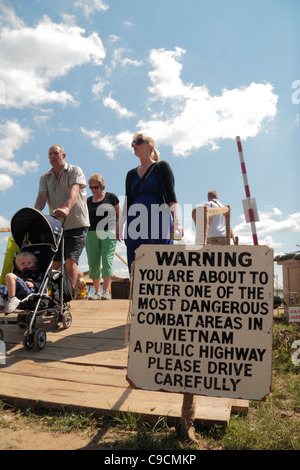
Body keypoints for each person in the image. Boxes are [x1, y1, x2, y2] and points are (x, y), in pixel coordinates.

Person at [123, 132, 183, 273]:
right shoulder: (131, 174)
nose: (134, 145)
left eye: (138, 141)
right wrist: (121, 225)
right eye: (132, 143)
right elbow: (128, 202)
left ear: (149, 146)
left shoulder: (161, 167)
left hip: (159, 219)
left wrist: (177, 222)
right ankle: (137, 294)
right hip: (135, 222)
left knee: (161, 258)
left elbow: (171, 197)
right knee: (135, 261)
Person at [34, 145, 89, 287]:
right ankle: (49, 294)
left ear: (63, 155)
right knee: (55, 262)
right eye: (50, 154)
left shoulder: (75, 171)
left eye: (56, 153)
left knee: (71, 260)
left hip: (77, 223)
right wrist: (35, 214)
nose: (53, 156)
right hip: (57, 226)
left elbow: (74, 190)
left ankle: (67, 297)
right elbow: (41, 197)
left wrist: (66, 208)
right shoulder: (45, 177)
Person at [86, 174, 121, 300]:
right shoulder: (88, 201)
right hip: (91, 233)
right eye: (91, 187)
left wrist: (119, 228)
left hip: (109, 231)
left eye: (97, 187)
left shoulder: (111, 197)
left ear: (102, 186)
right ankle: (96, 292)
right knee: (93, 262)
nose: (94, 190)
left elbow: (120, 213)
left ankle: (106, 291)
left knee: (107, 259)